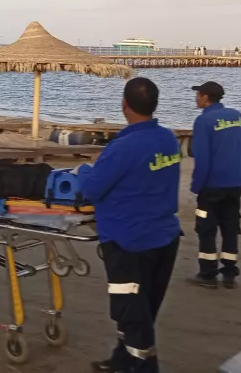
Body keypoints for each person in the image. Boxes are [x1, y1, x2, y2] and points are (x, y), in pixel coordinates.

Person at [77, 77, 181, 373]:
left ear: (125, 105)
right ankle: (122, 360)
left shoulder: (123, 147)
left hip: (129, 242)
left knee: (133, 314)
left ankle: (146, 366)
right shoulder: (168, 138)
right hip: (164, 238)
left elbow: (92, 189)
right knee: (142, 310)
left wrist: (84, 170)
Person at [189, 81, 241, 289]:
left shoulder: (203, 121)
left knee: (206, 228)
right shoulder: (237, 116)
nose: (196, 98)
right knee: (230, 226)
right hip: (234, 183)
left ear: (206, 97)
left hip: (212, 186)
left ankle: (207, 274)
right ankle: (229, 272)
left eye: (198, 94)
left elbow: (202, 159)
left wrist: (197, 186)